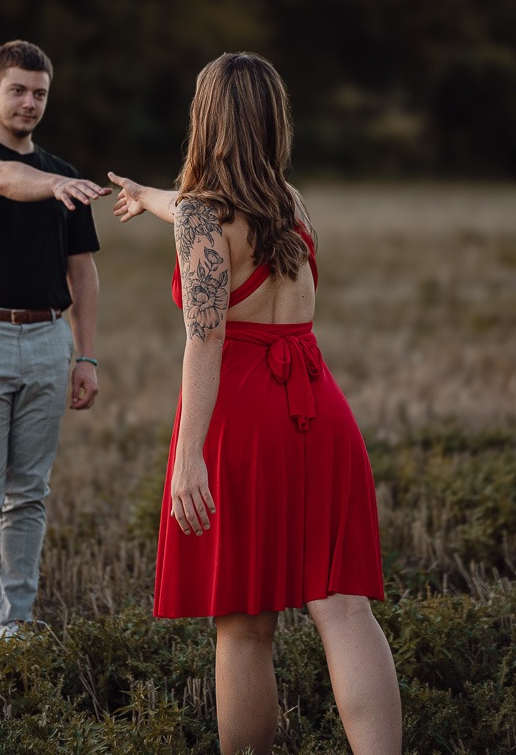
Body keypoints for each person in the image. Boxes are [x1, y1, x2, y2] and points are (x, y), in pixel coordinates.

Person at [108, 52, 401, 755]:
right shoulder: (290, 203)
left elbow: (205, 340)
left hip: (243, 418)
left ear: (204, 119)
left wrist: (188, 461)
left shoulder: (203, 219)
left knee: (243, 622)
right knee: (343, 606)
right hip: (320, 409)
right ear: (274, 119)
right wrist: (149, 196)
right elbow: (188, 211)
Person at [0, 40, 110, 672]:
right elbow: (5, 180)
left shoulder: (61, 173)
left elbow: (82, 273)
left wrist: (86, 357)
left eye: (40, 92)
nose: (30, 102)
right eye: (18, 90)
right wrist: (56, 184)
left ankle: (18, 630)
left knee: (28, 495)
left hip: (46, 341)